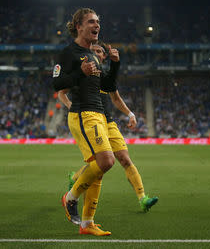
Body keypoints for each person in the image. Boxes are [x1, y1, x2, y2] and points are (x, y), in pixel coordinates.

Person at [58, 41, 158, 214]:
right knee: (101, 163)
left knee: (125, 159)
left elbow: (116, 99)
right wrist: (71, 107)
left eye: (100, 51)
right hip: (90, 118)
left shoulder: (105, 77)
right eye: (93, 50)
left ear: (104, 56)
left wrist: (130, 114)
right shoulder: (82, 72)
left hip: (108, 121)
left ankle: (143, 199)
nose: (96, 53)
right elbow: (61, 92)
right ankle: (76, 183)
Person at [52, 8, 120, 236]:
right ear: (78, 26)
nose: (97, 25)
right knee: (107, 161)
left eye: (98, 22)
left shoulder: (92, 54)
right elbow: (56, 83)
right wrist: (80, 72)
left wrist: (114, 64)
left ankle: (87, 224)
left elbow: (108, 87)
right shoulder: (68, 53)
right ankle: (70, 197)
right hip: (84, 114)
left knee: (98, 169)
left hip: (99, 114)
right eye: (91, 21)